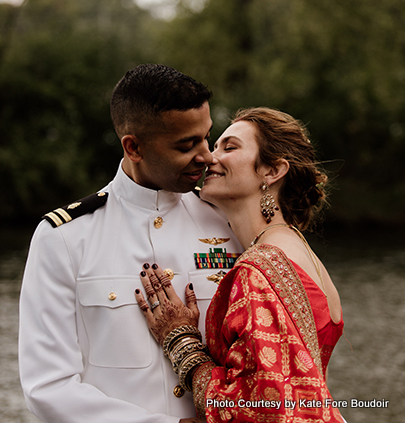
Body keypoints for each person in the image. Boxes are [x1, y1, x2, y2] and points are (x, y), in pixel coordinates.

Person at [18, 64, 242, 423]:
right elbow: (48, 386)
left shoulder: (227, 220)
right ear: (133, 147)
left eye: (207, 137)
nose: (207, 155)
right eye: (187, 145)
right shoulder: (64, 237)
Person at [135, 107, 345, 422]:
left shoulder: (258, 269)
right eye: (214, 145)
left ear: (273, 171)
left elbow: (259, 405)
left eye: (229, 147)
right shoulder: (300, 251)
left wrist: (181, 341)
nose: (208, 157)